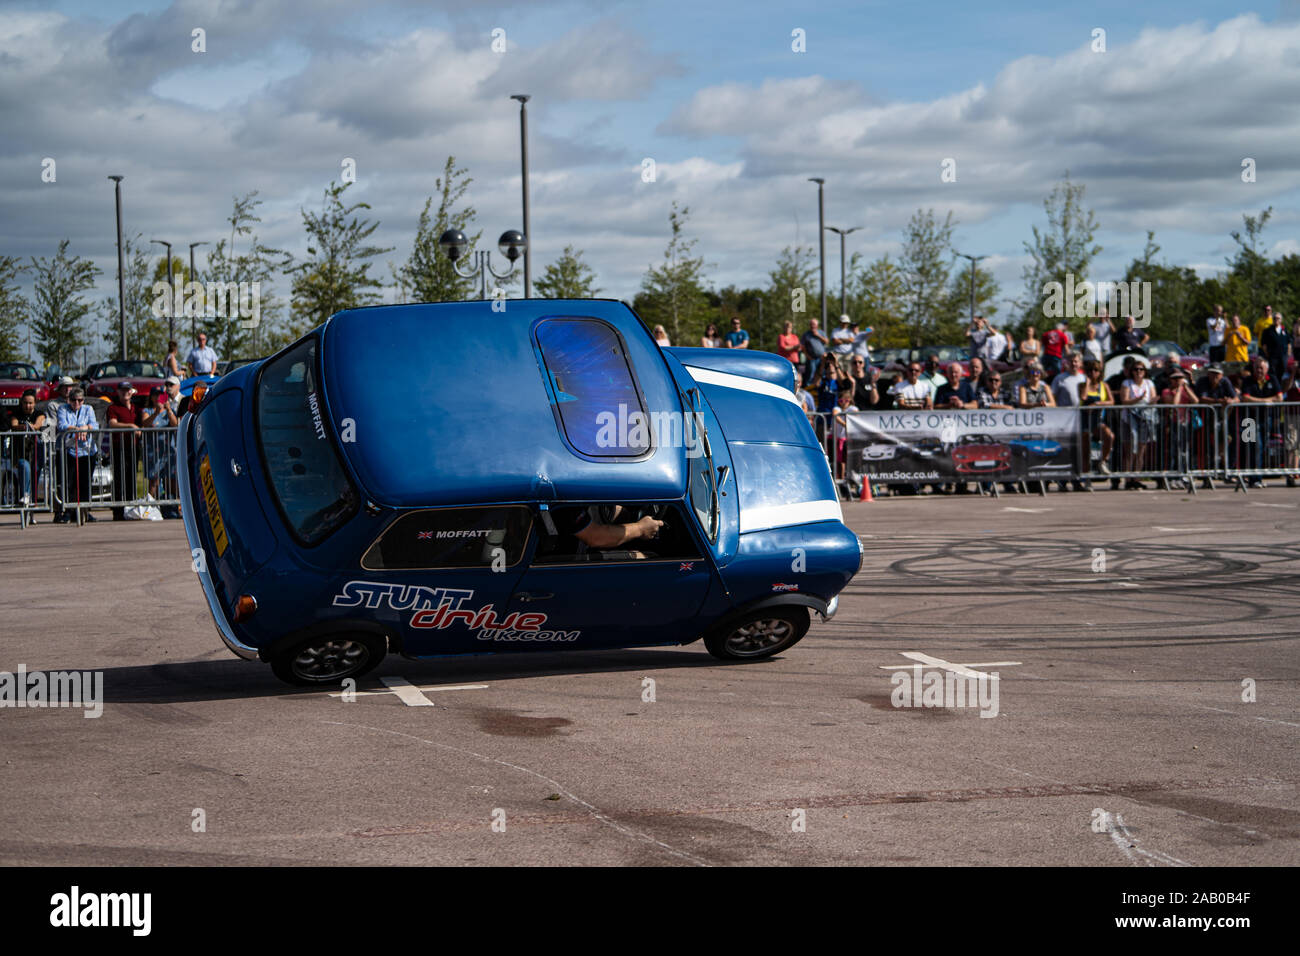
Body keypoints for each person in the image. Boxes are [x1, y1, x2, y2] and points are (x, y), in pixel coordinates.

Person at [55, 387, 97, 522]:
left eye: (80, 400)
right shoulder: (63, 409)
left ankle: (85, 511)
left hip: (87, 450)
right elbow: (62, 425)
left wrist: (86, 428)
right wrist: (77, 429)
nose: (77, 403)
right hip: (70, 450)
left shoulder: (88, 409)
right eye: (74, 400)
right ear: (69, 400)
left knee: (85, 483)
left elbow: (94, 425)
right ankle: (68, 510)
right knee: (69, 482)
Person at [1239, 356, 1281, 486]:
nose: (1259, 370)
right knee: (1255, 446)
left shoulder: (1272, 379)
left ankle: (1254, 477)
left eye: (1261, 368)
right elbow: (1245, 398)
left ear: (1266, 369)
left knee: (1260, 448)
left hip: (1265, 419)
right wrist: (1266, 401)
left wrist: (1257, 401)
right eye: (1256, 368)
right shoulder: (1248, 381)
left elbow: (1279, 397)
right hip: (1249, 420)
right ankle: (1255, 478)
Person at [106, 381, 142, 520]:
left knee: (131, 477)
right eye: (122, 390)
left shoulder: (136, 408)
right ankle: (118, 511)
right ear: (118, 392)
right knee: (119, 478)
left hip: (132, 448)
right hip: (118, 447)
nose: (125, 393)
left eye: (128, 390)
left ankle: (130, 508)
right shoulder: (113, 408)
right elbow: (112, 424)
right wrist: (130, 426)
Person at [1119, 361, 1157, 488]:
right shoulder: (1127, 383)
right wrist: (1138, 399)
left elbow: (1152, 398)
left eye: (1141, 369)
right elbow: (1124, 401)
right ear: (1132, 371)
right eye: (1136, 369)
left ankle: (1137, 477)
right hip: (1129, 418)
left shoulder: (1149, 383)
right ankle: (1128, 479)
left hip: (1144, 418)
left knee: (1141, 450)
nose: (1139, 371)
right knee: (1130, 450)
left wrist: (1153, 400)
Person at [1159, 366, 1200, 482]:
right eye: (1175, 378)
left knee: (1185, 450)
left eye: (1180, 377)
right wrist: (1179, 389)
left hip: (1186, 423)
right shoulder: (1166, 391)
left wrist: (1185, 387)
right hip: (1172, 424)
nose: (1177, 380)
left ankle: (1184, 474)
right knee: (1174, 451)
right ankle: (1174, 476)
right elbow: (1175, 404)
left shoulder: (1186, 390)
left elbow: (1196, 401)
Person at [5, 389, 45, 506]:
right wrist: (25, 427)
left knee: (34, 477)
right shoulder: (16, 414)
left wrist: (29, 427)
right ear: (21, 403)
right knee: (25, 468)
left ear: (35, 403)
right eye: (25, 403)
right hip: (21, 453)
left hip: (36, 452)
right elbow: (14, 424)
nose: (28, 406)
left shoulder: (39, 414)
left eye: (30, 403)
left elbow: (38, 425)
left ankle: (32, 505)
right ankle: (26, 495)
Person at [1079, 359, 1114, 475]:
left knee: (1109, 435)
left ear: (1100, 372)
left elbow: (1111, 401)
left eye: (1096, 370)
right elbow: (1083, 397)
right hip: (1084, 421)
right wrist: (1088, 383)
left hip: (1097, 421)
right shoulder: (1082, 385)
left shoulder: (1104, 386)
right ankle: (1087, 478)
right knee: (1085, 451)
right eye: (1090, 370)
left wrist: (1098, 404)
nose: (1093, 373)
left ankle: (1102, 461)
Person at [1261, 311, 1292, 387]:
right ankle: (1274, 389)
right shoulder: (1268, 331)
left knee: (1282, 373)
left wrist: (1287, 355)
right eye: (1274, 318)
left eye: (1278, 318)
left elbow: (1289, 343)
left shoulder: (1285, 331)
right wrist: (1268, 354)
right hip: (1273, 357)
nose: (1276, 320)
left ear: (1281, 320)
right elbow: (1264, 344)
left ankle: (1281, 389)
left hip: (1283, 357)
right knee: (1273, 374)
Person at [831, 390, 857, 479]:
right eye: (841, 401)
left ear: (849, 400)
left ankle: (850, 478)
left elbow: (856, 414)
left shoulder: (852, 408)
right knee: (841, 460)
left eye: (846, 401)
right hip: (840, 438)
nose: (844, 403)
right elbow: (835, 414)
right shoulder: (837, 408)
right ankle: (841, 478)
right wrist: (845, 424)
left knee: (850, 459)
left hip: (850, 438)